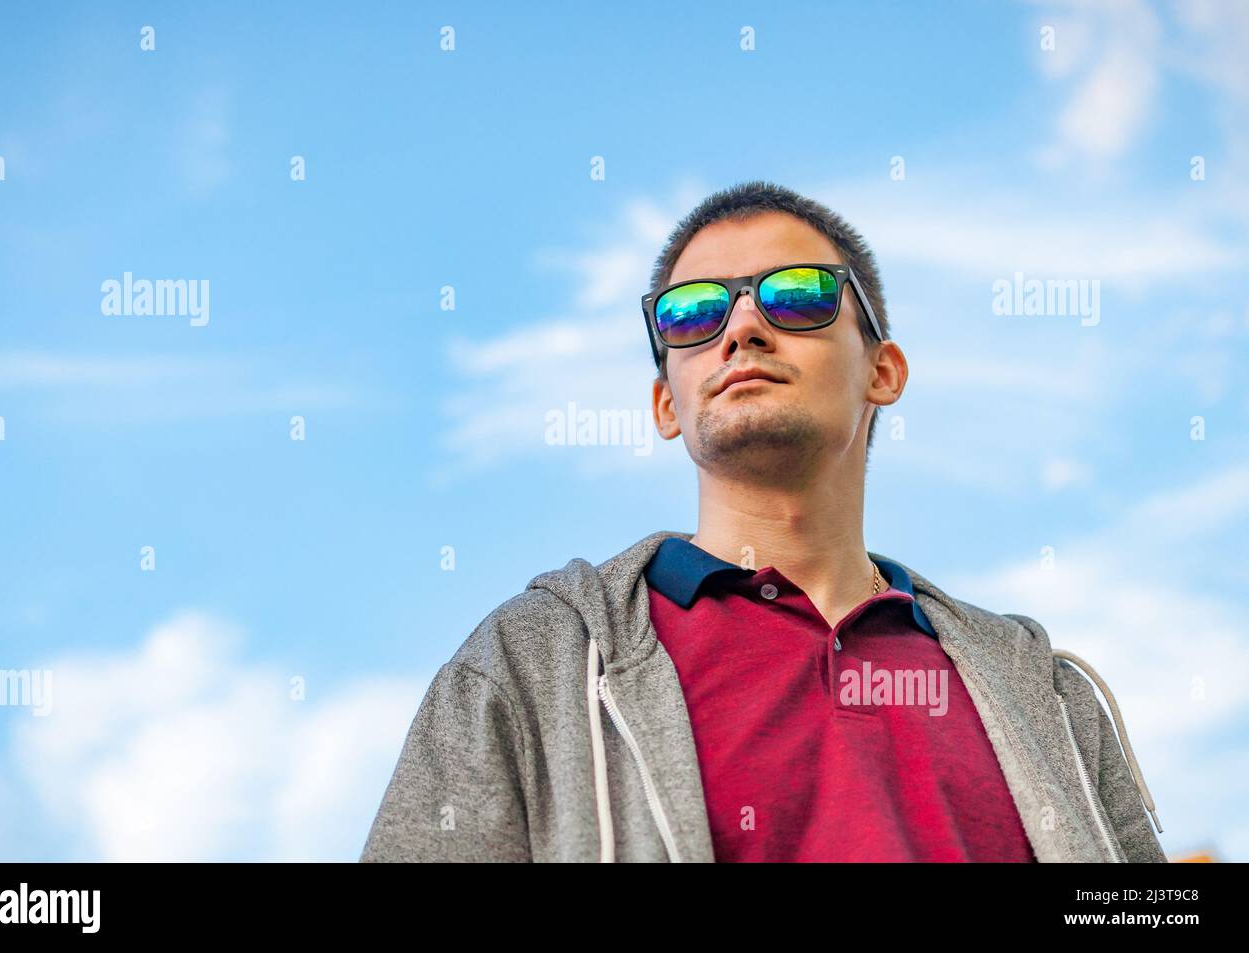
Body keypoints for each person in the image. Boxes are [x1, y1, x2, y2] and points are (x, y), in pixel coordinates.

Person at [359, 180, 1165, 863]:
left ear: (882, 371)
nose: (741, 328)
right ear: (665, 403)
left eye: (798, 295)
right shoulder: (530, 666)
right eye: (691, 314)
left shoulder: (1048, 698)